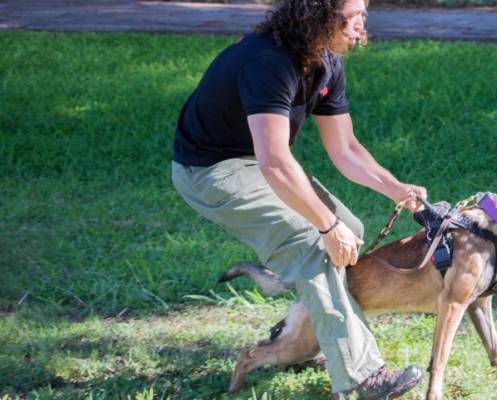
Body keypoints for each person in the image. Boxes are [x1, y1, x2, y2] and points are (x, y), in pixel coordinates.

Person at [170, 0, 426, 397]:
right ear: (319, 16)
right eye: (352, 16)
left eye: (364, 14)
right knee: (317, 244)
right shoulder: (268, 62)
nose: (361, 26)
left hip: (256, 161)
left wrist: (396, 189)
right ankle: (363, 377)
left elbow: (346, 149)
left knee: (350, 233)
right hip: (209, 172)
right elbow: (274, 161)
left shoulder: (325, 64)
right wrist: (326, 225)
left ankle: (305, 340)